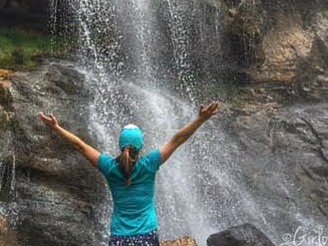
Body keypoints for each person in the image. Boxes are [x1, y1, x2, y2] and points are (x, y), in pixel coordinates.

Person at [39, 100, 220, 246]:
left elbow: (79, 145)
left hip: (120, 237)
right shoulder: (149, 164)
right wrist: (201, 119)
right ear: (140, 146)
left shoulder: (108, 167)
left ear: (120, 145)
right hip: (147, 235)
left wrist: (56, 127)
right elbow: (178, 139)